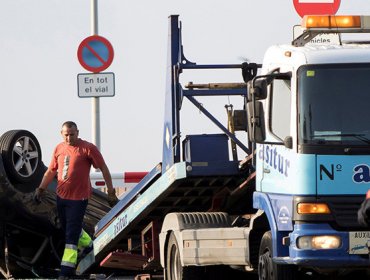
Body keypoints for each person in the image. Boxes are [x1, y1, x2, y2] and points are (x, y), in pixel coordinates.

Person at [33, 121, 118, 279]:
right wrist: (40, 189)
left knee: (71, 237)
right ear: (61, 134)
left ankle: (67, 270)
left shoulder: (88, 148)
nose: (69, 137)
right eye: (66, 134)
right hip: (61, 197)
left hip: (79, 199)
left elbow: (104, 168)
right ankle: (89, 247)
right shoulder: (59, 148)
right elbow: (51, 170)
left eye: (72, 134)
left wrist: (111, 192)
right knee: (69, 230)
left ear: (77, 133)